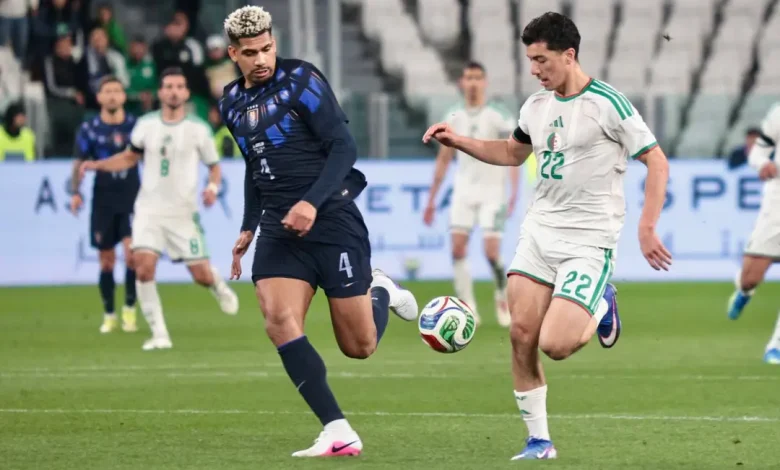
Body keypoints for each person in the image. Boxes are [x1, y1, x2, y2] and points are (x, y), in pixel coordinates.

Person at [423, 12, 671, 460]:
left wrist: (647, 226)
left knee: (555, 345)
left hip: (588, 241)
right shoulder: (535, 106)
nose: (534, 70)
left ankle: (601, 302)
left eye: (541, 60)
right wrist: (459, 142)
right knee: (521, 334)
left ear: (569, 55)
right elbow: (512, 152)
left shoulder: (608, 104)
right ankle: (539, 440)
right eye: (530, 61)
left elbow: (656, 161)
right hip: (539, 233)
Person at [219, 6, 418, 458]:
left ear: (274, 42)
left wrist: (311, 202)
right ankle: (337, 429)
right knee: (278, 320)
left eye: (267, 48)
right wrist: (249, 225)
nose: (261, 59)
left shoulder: (302, 81)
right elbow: (254, 164)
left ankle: (381, 289)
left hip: (332, 219)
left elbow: (344, 147)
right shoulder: (230, 102)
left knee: (359, 347)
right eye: (250, 53)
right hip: (280, 229)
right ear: (233, 54)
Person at [79, 67, 239, 351]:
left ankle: (216, 285)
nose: (174, 92)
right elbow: (129, 157)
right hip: (148, 211)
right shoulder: (146, 125)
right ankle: (159, 334)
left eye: (179, 87)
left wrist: (212, 189)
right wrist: (99, 165)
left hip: (183, 214)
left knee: (200, 275)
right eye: (168, 87)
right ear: (161, 92)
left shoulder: (198, 129)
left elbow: (214, 167)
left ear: (186, 93)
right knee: (142, 268)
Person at [423, 61, 519, 327]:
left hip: (493, 193)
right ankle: (468, 309)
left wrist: (513, 192)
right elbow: (444, 159)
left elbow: (513, 154)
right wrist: (431, 200)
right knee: (457, 248)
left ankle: (502, 294)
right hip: (463, 192)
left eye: (478, 77)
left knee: (491, 252)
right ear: (462, 83)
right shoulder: (453, 116)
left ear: (485, 82)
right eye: (469, 78)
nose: (473, 83)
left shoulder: (499, 115)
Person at [70, 77, 139, 333]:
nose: (112, 95)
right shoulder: (89, 129)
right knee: (107, 261)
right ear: (99, 97)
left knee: (132, 256)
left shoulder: (136, 126)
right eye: (107, 91)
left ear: (123, 96)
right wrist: (76, 192)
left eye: (117, 91)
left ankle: (129, 310)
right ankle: (109, 313)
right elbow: (79, 162)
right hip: (103, 199)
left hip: (132, 197)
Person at [726, 103, 780, 364]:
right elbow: (758, 150)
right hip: (777, 205)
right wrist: (762, 164)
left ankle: (775, 346)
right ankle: (744, 291)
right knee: (750, 278)